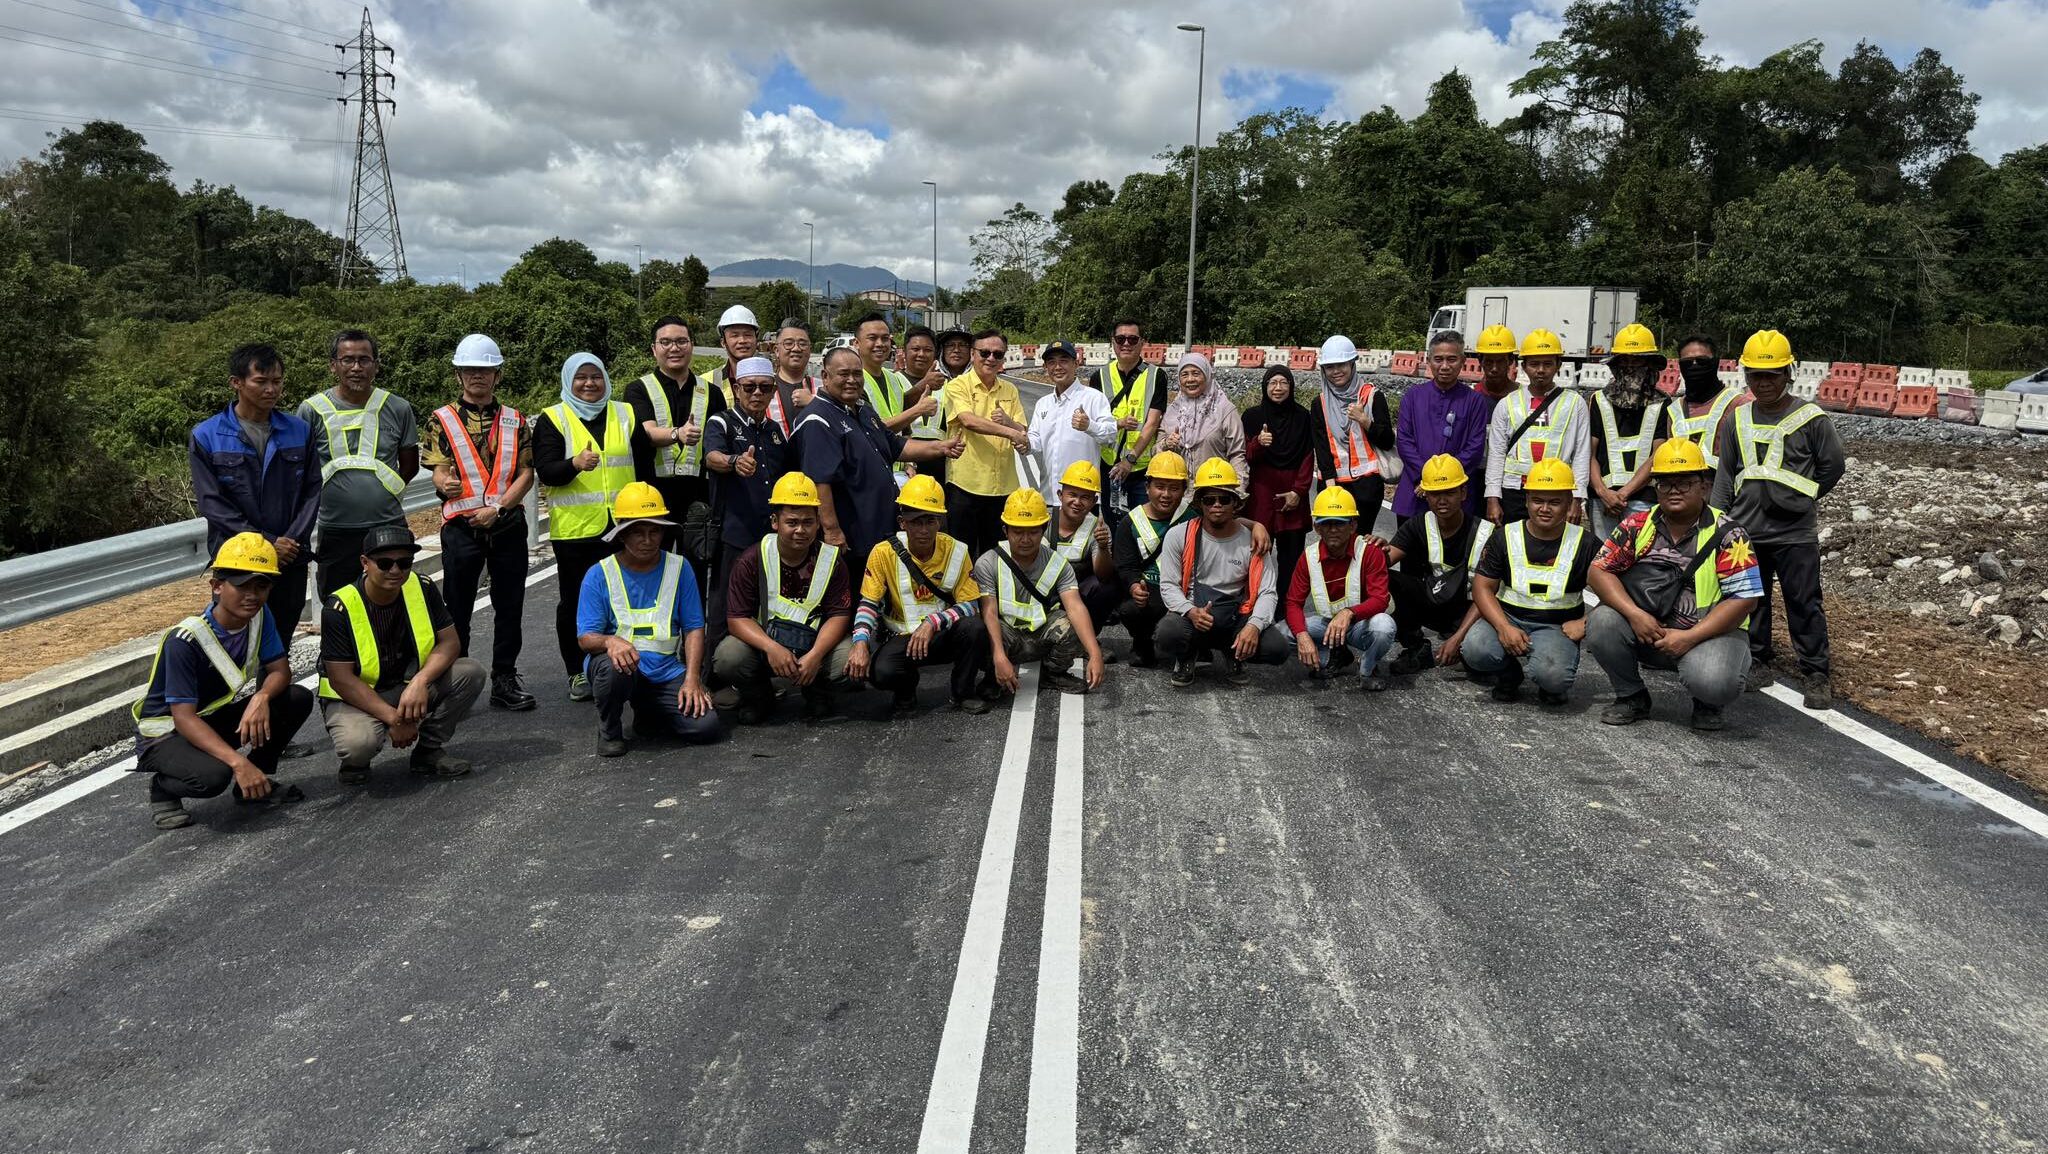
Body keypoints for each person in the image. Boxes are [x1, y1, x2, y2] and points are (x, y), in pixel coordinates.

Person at [132, 533, 316, 830]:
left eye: (261, 585)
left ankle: (253, 784)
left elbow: (281, 671)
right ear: (217, 587)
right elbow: (183, 718)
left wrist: (261, 698)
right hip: (166, 734)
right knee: (214, 777)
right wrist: (238, 763)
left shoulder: (259, 616)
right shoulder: (184, 641)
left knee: (294, 698)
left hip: (207, 719)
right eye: (242, 585)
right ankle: (163, 788)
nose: (252, 595)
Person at [1711, 329, 1846, 710]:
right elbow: (1726, 473)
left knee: (1804, 600)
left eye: (1771, 374)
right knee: (1752, 598)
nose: (1764, 382)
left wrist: (1804, 497)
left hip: (1795, 532)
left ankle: (1816, 671)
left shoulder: (1812, 419)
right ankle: (1758, 660)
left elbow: (1832, 466)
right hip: (1746, 529)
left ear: (1789, 373)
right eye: (1756, 374)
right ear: (1746, 376)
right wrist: (1720, 519)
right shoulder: (1737, 419)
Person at [1587, 439, 1763, 731]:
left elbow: (1744, 599)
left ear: (1704, 486)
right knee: (1602, 621)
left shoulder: (1730, 534)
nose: (1674, 490)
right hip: (1648, 628)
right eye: (1665, 483)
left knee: (1715, 681)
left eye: (1684, 483)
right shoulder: (1637, 525)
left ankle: (1708, 702)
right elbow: (1599, 572)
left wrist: (1690, 637)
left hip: (1708, 634)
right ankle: (1631, 696)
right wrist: (1634, 614)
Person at [318, 525, 485, 783]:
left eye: (404, 563)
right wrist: (394, 721)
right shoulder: (339, 606)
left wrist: (420, 681)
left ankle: (428, 751)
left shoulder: (422, 587)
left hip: (406, 687)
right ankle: (354, 764)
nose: (395, 571)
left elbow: (450, 643)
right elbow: (341, 679)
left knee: (470, 673)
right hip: (355, 696)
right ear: (365, 563)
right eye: (384, 563)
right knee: (358, 744)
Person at [424, 333, 536, 712]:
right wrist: (444, 483)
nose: (478, 376)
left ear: (497, 375)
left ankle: (504, 679)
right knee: (455, 609)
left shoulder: (515, 419)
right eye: (470, 370)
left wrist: (500, 509)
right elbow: (438, 472)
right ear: (458, 375)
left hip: (505, 525)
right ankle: (457, 682)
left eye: (485, 370)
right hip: (461, 529)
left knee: (510, 606)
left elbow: (525, 474)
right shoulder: (441, 419)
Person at [577, 483, 724, 754]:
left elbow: (693, 628)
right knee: (612, 671)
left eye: (654, 531)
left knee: (707, 727)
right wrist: (610, 642)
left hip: (665, 671)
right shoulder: (599, 574)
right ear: (621, 533)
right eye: (637, 533)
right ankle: (609, 731)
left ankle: (649, 709)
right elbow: (586, 638)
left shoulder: (680, 568)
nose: (647, 540)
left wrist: (693, 678)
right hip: (620, 669)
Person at [189, 343, 320, 637]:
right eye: (261, 382)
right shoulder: (207, 435)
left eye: (277, 381)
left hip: (290, 559)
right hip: (237, 561)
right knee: (232, 641)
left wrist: (289, 543)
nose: (271, 389)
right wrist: (267, 543)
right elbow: (212, 504)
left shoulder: (299, 430)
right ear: (236, 383)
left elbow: (312, 491)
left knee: (279, 642)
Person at [535, 352, 642, 701]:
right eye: (581, 377)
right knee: (576, 602)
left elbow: (641, 460)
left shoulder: (624, 412)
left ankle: (624, 662)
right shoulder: (554, 418)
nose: (589, 383)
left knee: (624, 598)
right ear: (569, 380)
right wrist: (574, 464)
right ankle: (576, 672)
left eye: (596, 376)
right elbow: (547, 471)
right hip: (577, 530)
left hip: (622, 526)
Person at [794, 346, 963, 562]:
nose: (852, 380)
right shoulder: (818, 420)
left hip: (880, 526)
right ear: (825, 377)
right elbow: (820, 481)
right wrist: (832, 530)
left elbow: (895, 445)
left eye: (857, 374)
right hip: (853, 533)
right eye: (844, 374)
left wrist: (941, 448)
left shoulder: (862, 409)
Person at [711, 474, 856, 725]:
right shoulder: (751, 559)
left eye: (808, 522)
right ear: (775, 522)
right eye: (792, 522)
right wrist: (772, 648)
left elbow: (839, 615)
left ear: (818, 523)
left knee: (851, 658)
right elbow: (737, 619)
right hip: (768, 646)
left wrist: (815, 656)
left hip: (813, 644)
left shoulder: (832, 560)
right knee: (728, 656)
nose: (801, 530)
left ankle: (818, 692)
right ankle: (759, 696)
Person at [845, 475, 987, 717]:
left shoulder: (957, 550)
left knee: (974, 628)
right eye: (916, 521)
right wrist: (860, 643)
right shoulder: (882, 553)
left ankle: (963, 692)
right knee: (881, 673)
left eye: (930, 521)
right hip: (901, 637)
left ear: (940, 522)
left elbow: (970, 605)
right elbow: (868, 605)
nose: (923, 530)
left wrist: (933, 623)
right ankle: (905, 690)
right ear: (903, 522)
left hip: (939, 634)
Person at [301, 329, 419, 601]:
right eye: (348, 360)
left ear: (376, 365)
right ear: (334, 365)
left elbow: (410, 464)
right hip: (336, 528)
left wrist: (383, 492)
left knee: (395, 604)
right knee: (338, 604)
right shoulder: (311, 410)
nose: (356, 367)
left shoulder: (398, 408)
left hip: (388, 526)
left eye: (364, 360)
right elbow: (302, 469)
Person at [1463, 459, 1592, 705]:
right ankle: (1509, 676)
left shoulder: (1586, 543)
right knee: (1475, 650)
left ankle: (1549, 681)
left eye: (1554, 502)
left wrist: (1586, 622)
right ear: (1527, 500)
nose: (1545, 508)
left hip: (1557, 627)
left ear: (1569, 502)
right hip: (1509, 618)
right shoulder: (1504, 537)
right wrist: (1503, 627)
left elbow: (1615, 592)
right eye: (1537, 500)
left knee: (1553, 676)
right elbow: (1482, 587)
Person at [1155, 458, 1288, 686]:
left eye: (1224, 499)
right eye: (1209, 499)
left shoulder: (1255, 542)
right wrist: (1189, 611)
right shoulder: (1178, 536)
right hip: (1196, 613)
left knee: (1277, 648)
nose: (1217, 505)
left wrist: (1254, 626)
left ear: (1236, 503)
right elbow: (1168, 585)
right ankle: (1188, 655)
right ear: (1200, 503)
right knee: (1167, 633)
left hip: (1237, 615)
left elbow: (1268, 592)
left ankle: (1234, 651)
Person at [967, 488, 1107, 699]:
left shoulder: (1058, 563)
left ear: (1043, 530)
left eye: (1033, 531)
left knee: (1075, 624)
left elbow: (1075, 607)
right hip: (1006, 636)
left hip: (1040, 634)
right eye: (1017, 531)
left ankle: (1053, 673)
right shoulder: (988, 562)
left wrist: (1095, 654)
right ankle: (993, 676)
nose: (1025, 539)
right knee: (978, 630)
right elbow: (989, 612)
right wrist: (999, 657)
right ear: (1005, 530)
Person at [624, 315, 726, 572]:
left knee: (696, 572)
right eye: (666, 342)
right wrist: (677, 434)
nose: (674, 348)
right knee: (653, 569)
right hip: (653, 499)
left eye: (681, 341)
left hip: (698, 500)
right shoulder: (638, 389)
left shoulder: (711, 392)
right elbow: (646, 433)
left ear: (692, 344)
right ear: (654, 348)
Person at [702, 356, 790, 641]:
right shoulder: (722, 422)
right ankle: (710, 675)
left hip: (769, 537)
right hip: (734, 534)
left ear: (773, 390)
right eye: (749, 386)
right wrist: (734, 461)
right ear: (736, 388)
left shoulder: (775, 432)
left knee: (763, 603)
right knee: (724, 604)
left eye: (764, 388)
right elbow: (711, 457)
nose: (756, 393)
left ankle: (755, 676)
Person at [1277, 486, 1398, 690]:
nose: (1333, 530)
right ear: (1317, 528)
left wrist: (1349, 613)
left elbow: (1380, 599)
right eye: (1326, 523)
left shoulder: (1370, 552)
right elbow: (1293, 603)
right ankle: (1332, 656)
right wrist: (1303, 636)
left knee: (1384, 626)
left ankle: (1367, 670)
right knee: (1280, 635)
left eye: (1340, 524)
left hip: (1361, 623)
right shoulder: (1309, 556)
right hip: (1327, 623)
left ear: (1353, 525)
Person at [1384, 455, 1492, 677]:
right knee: (1385, 577)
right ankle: (1416, 647)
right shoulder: (1419, 523)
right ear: (1426, 495)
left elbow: (1489, 596)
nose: (1442, 500)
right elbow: (1382, 562)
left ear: (1463, 493)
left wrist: (1458, 638)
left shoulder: (1487, 534)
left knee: (1480, 657)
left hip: (1472, 612)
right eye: (1435, 493)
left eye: (1449, 492)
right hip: (1436, 600)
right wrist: (1369, 550)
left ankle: (1468, 650)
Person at [1485, 328, 1589, 526]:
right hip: (1514, 492)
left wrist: (1577, 499)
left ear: (1559, 365)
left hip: (1557, 491)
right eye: (1534, 364)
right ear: (1523, 367)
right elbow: (1496, 454)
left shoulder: (1575, 404)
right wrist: (1492, 498)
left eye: (1548, 363)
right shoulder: (1507, 404)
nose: (1541, 370)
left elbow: (1582, 453)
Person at [943, 329, 1029, 557]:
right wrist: (1009, 432)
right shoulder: (957, 386)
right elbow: (968, 421)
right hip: (966, 486)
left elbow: (1022, 429)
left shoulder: (1010, 389)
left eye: (998, 354)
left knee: (998, 556)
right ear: (972, 354)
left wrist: (1012, 426)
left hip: (1004, 488)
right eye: (985, 353)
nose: (991, 358)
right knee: (963, 556)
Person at [1393, 330, 1492, 523]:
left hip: (1455, 495)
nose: (1445, 366)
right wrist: (1426, 478)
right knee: (1411, 550)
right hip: (1416, 489)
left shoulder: (1474, 401)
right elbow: (1404, 441)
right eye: (1438, 359)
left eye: (1452, 359)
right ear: (1428, 361)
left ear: (1463, 361)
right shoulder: (1413, 396)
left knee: (1454, 552)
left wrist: (1443, 482)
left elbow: (1474, 448)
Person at [1108, 451, 1192, 667]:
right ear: (1147, 487)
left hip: (1184, 591)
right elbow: (1125, 565)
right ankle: (1142, 642)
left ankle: (1193, 645)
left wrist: (1255, 525)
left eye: (1174, 488)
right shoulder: (1131, 521)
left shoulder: (1193, 518)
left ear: (1184, 490)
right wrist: (1134, 585)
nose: (1166, 494)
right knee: (1129, 609)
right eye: (1160, 486)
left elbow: (1227, 522)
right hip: (1150, 591)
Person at [1306, 336, 1396, 530]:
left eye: (1341, 365)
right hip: (1333, 485)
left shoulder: (1372, 396)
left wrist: (1365, 421)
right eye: (1330, 367)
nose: (1336, 371)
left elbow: (1388, 441)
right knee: (1334, 545)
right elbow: (1321, 447)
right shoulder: (1319, 403)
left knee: (1360, 544)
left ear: (1352, 364)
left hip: (1366, 487)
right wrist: (1330, 487)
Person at [1588, 323, 1667, 541]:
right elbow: (1589, 454)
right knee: (1602, 566)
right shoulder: (1598, 400)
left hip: (1644, 500)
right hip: (1601, 502)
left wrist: (1622, 494)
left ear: (1649, 364)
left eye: (1637, 360)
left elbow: (1657, 455)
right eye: (1625, 361)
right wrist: (1604, 493)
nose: (1630, 367)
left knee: (1640, 568)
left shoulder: (1662, 403)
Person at [1243, 365, 1314, 587]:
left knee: (1291, 560)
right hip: (1261, 496)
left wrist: (1299, 492)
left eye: (1284, 383)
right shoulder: (1252, 417)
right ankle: (1254, 605)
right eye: (1273, 383)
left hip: (1292, 498)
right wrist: (1258, 443)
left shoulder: (1303, 417)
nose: (1278, 388)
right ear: (1265, 387)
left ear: (1291, 387)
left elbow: (1307, 457)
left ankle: (1287, 609)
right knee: (1257, 555)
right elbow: (1244, 456)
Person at [1027, 340, 1115, 503]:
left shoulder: (1093, 398)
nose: (1057, 367)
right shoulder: (1043, 403)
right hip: (1049, 496)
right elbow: (1035, 442)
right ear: (1045, 367)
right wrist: (1022, 443)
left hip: (1083, 498)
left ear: (1076, 363)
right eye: (1051, 362)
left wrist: (1089, 426)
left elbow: (1110, 435)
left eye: (1063, 361)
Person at [1093, 319, 1167, 512]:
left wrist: (1130, 460)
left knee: (1142, 526)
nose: (1126, 344)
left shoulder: (1156, 376)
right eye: (1121, 339)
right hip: (1108, 466)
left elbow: (1152, 423)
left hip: (1141, 468)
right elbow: (1094, 423)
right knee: (1110, 523)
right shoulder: (1099, 376)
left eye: (1133, 339)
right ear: (1113, 342)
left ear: (1142, 342)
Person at [1047, 460, 1121, 631]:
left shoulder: (1099, 528)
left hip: (1077, 593)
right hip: (1044, 591)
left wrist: (1103, 548)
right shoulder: (1043, 520)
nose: (1077, 502)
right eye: (1072, 494)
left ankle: (1087, 641)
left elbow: (1103, 575)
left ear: (1094, 501)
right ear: (1060, 495)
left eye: (1085, 497)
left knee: (1107, 587)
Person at [1158, 353, 1247, 493]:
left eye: (1196, 373)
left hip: (1213, 494)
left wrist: (1238, 491)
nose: (1190, 379)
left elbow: (1237, 455)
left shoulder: (1225, 410)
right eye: (1185, 374)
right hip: (1177, 496)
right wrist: (1166, 444)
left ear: (1207, 375)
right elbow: (1155, 452)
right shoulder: (1172, 411)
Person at [856, 312, 940, 442]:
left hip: (896, 461)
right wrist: (918, 409)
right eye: (872, 338)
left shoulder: (892, 378)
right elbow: (873, 429)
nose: (880, 344)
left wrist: (909, 462)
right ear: (857, 343)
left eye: (885, 338)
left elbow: (903, 421)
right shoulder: (852, 382)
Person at [1665, 335, 1744, 469]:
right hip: (1682, 487)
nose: (1694, 366)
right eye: (1687, 363)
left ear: (1715, 362)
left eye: (1701, 361)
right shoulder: (1674, 410)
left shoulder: (1737, 404)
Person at [703, 304, 762, 405]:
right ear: (723, 342)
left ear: (756, 340)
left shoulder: (771, 381)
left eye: (748, 335)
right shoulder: (706, 382)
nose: (742, 340)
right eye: (734, 335)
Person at [769, 318, 818, 436]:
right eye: (788, 343)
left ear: (810, 350)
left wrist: (814, 404)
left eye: (802, 344)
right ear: (776, 350)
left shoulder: (824, 387)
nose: (796, 349)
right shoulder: (764, 388)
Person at [1472, 324, 1519, 410]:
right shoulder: (1471, 398)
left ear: (1511, 360)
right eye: (1489, 362)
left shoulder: (1522, 397)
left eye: (1500, 362)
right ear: (1480, 361)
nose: (1494, 369)